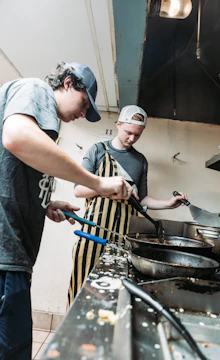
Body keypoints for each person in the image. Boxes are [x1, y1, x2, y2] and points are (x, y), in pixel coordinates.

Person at [0, 61, 133, 359]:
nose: (83, 114)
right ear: (69, 82)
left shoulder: (49, 125)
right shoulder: (34, 89)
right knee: (11, 349)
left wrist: (46, 204)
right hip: (4, 251)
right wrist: (97, 182)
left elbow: (13, 175)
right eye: (85, 103)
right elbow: (15, 137)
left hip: (15, 253)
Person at [67, 105, 186, 305]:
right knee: (82, 289)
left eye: (137, 135)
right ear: (118, 124)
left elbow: (142, 200)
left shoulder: (140, 161)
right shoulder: (98, 150)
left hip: (123, 239)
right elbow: (78, 190)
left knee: (111, 295)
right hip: (92, 235)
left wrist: (169, 204)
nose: (131, 138)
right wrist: (106, 186)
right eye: (128, 132)